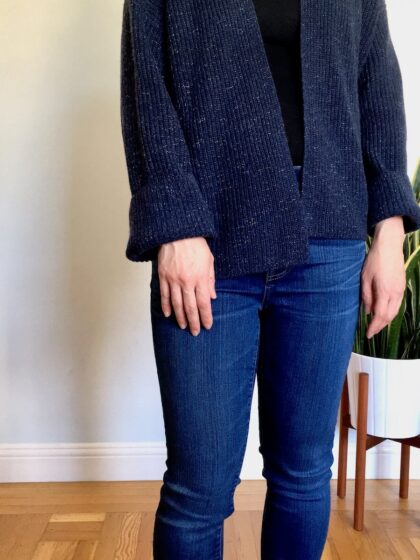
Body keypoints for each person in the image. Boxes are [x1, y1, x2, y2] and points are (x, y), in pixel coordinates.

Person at [119, 0, 420, 558]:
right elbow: (147, 89)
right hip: (209, 238)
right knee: (199, 488)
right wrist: (175, 225)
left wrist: (389, 227)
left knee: (304, 472)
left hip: (328, 234)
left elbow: (377, 80)